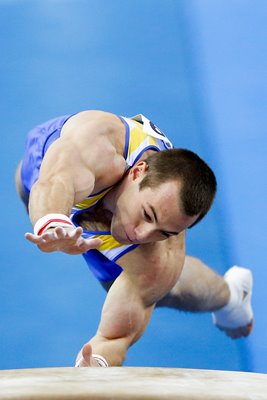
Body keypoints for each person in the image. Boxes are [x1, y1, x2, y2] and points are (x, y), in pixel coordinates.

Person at [15, 110, 253, 367]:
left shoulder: (158, 252)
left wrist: (94, 365)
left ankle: (230, 296)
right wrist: (51, 222)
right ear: (138, 172)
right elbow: (53, 183)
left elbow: (114, 339)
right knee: (25, 183)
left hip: (120, 225)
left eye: (165, 232)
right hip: (61, 169)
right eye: (147, 215)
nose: (142, 235)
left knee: (163, 288)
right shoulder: (97, 150)